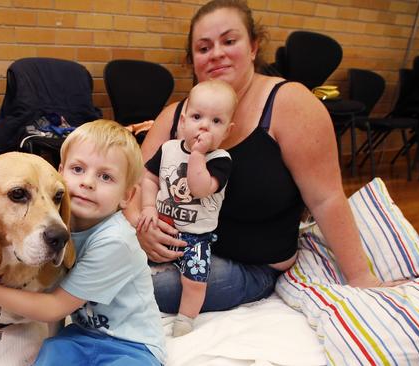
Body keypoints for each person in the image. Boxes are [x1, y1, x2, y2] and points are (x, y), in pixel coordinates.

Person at [127, 0, 401, 315]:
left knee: (137, 288)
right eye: (204, 48)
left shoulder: (290, 104)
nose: (216, 53)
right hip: (180, 249)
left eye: (229, 41)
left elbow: (326, 198)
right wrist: (141, 226)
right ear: (193, 61)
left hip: (250, 265)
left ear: (254, 46)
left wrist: (360, 276)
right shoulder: (175, 115)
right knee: (100, 266)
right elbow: (133, 187)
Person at [0, 119, 166, 366]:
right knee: (50, 353)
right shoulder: (69, 219)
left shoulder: (116, 241)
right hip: (81, 334)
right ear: (61, 172)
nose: (87, 182)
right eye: (77, 170)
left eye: (105, 176)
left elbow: (54, 308)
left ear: (127, 196)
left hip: (132, 345)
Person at [137, 79, 236, 336]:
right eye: (197, 116)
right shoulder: (168, 148)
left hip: (195, 237)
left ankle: (185, 319)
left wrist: (197, 155)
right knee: (133, 263)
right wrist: (147, 206)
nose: (204, 125)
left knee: (194, 281)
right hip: (161, 225)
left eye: (216, 121)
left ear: (227, 131)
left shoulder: (220, 160)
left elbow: (200, 187)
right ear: (182, 121)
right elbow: (148, 178)